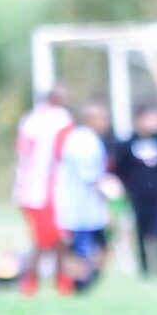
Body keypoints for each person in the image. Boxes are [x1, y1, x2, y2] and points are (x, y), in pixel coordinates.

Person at [12, 85, 73, 296]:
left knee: (48, 239)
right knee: (51, 240)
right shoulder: (60, 119)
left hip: (25, 188)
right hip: (46, 189)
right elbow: (65, 151)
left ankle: (55, 282)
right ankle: (41, 282)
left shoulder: (30, 119)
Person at [51, 100, 113, 295]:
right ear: (90, 119)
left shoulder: (84, 139)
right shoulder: (85, 142)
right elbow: (90, 177)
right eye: (102, 119)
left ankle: (83, 283)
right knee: (81, 251)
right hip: (81, 209)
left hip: (86, 208)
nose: (106, 123)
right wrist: (112, 196)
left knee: (98, 249)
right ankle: (78, 286)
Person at [113, 105, 157, 277]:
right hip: (138, 194)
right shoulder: (127, 144)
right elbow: (121, 168)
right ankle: (144, 267)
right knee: (141, 230)